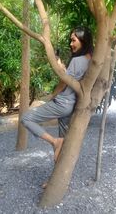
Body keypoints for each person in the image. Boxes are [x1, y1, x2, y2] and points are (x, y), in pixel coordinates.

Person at [21, 26, 93, 163]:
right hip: (72, 105)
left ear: (83, 40)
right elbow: (73, 78)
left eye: (74, 40)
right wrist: (63, 70)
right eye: (70, 41)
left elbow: (63, 83)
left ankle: (54, 141)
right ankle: (55, 179)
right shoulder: (90, 59)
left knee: (26, 118)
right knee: (63, 145)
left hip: (62, 103)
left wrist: (51, 96)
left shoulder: (77, 60)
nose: (71, 44)